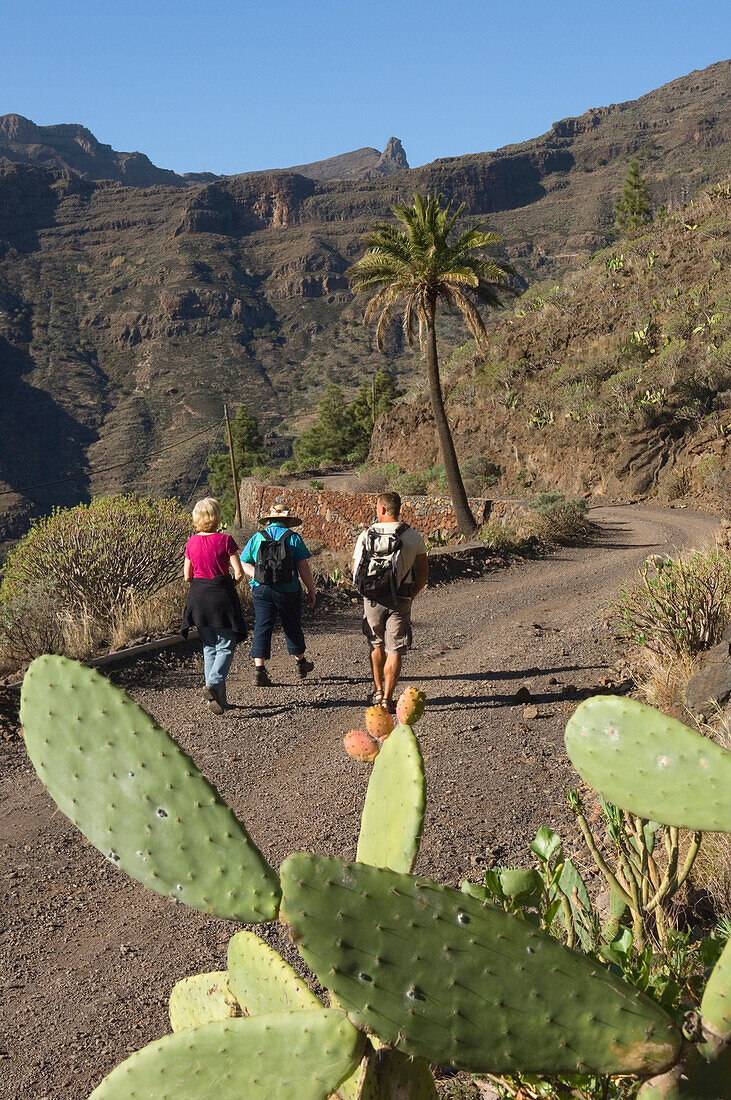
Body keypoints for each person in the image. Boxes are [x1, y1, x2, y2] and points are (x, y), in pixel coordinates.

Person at [353, 491, 428, 712]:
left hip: (372, 599)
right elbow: (423, 574)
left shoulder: (366, 535)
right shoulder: (413, 536)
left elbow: (356, 570)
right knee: (394, 649)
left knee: (375, 644)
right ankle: (387, 698)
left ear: (383, 509)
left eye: (377, 507)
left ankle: (377, 690)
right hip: (401, 597)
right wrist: (410, 596)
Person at [180, 497, 246, 715]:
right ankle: (213, 685)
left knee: (209, 647)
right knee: (226, 644)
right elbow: (239, 572)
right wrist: (229, 586)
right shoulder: (225, 540)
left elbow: (187, 576)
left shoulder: (191, 543)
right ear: (216, 516)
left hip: (198, 597)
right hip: (221, 596)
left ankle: (217, 701)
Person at [240, 503, 316, 685]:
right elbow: (303, 567)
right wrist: (311, 590)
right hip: (288, 590)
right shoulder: (293, 538)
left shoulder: (257, 538)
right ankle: (300, 664)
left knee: (262, 626)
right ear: (287, 521)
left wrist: (259, 576)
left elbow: (244, 562)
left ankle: (260, 670)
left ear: (270, 520)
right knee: (292, 625)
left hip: (261, 590)